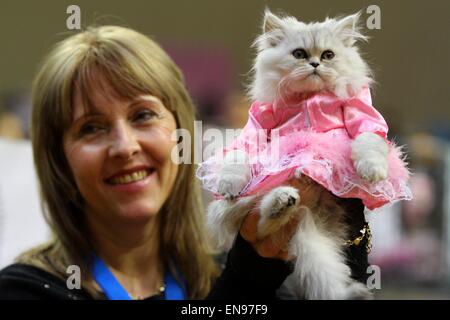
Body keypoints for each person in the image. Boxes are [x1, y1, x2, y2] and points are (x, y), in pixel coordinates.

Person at [0, 26, 369, 300]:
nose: (124, 146)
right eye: (91, 128)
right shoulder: (25, 290)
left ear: (181, 133)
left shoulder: (247, 269)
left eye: (143, 115)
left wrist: (347, 224)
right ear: (58, 160)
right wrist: (246, 281)